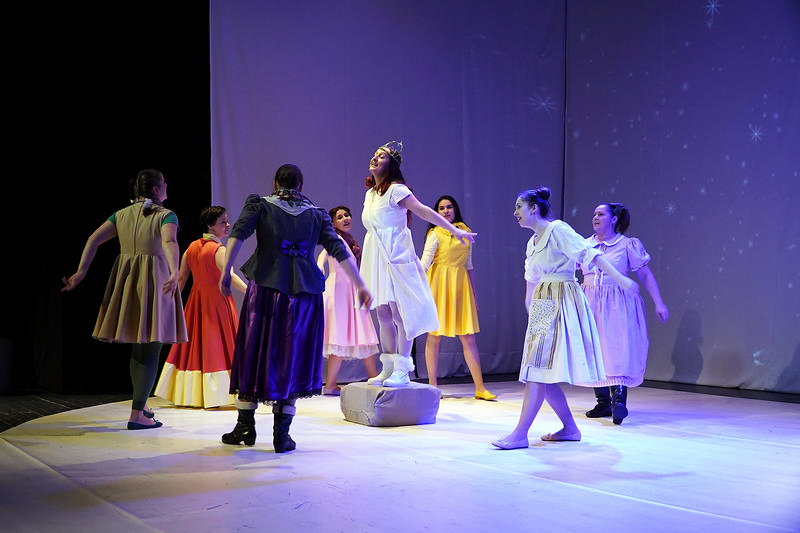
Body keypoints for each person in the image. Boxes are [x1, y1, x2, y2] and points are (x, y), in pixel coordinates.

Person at [218, 164, 372, 452]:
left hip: (266, 289)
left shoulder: (260, 205)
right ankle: (282, 434)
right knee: (292, 355)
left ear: (275, 182)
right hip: (303, 295)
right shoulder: (316, 214)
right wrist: (360, 285)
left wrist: (226, 271)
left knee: (254, 351)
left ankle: (245, 425)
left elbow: (238, 234)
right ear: (301, 186)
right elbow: (339, 249)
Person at [491, 187, 637, 450]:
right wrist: (532, 312)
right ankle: (569, 427)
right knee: (540, 369)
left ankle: (520, 433)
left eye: (519, 207)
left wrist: (621, 279)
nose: (515, 213)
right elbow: (531, 281)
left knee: (537, 369)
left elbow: (590, 255)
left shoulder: (557, 230)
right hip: (543, 303)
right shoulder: (532, 242)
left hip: (561, 298)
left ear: (534, 208)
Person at [61, 168, 187, 430]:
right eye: (164, 184)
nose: (166, 187)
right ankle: (137, 413)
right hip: (155, 280)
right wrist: (175, 272)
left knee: (139, 349)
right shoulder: (165, 215)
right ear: (156, 189)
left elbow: (93, 239)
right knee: (150, 347)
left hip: (128, 281)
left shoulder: (121, 214)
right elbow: (170, 242)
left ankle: (141, 403)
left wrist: (80, 273)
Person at [360, 141, 476, 388]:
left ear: (391, 165)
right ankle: (388, 367)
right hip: (377, 256)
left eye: (381, 156)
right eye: (374, 154)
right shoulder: (370, 195)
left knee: (400, 314)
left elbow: (424, 212)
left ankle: (402, 369)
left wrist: (454, 230)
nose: (375, 158)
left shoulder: (397, 190)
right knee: (383, 314)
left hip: (396, 256)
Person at [580, 203, 669, 425]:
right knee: (594, 349)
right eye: (594, 214)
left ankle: (618, 401)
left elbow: (645, 274)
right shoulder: (584, 245)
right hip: (590, 300)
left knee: (617, 349)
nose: (595, 217)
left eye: (601, 214)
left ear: (614, 219)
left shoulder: (627, 244)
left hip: (617, 303)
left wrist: (659, 302)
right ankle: (603, 402)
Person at [154, 206, 248, 408]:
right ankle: (216, 395)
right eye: (223, 222)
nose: (228, 225)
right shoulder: (219, 250)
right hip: (217, 304)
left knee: (195, 347)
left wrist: (171, 305)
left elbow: (181, 279)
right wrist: (250, 292)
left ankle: (191, 395)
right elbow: (230, 276)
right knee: (218, 346)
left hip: (196, 304)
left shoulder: (191, 247)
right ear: (210, 226)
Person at [421, 195, 495, 400]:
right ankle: (433, 386)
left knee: (468, 336)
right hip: (438, 285)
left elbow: (469, 265)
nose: (446, 211)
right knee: (434, 336)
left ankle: (480, 388)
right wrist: (416, 290)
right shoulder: (435, 233)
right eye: (441, 208)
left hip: (461, 286)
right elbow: (424, 263)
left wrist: (475, 294)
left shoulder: (465, 230)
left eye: (449, 207)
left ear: (455, 209)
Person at [316, 206, 380, 395]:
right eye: (340, 217)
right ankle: (333, 384)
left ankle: (367, 378)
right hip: (340, 291)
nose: (345, 218)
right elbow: (324, 253)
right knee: (341, 335)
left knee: (360, 333)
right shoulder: (335, 238)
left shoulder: (348, 240)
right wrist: (320, 264)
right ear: (333, 223)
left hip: (350, 290)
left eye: (347, 215)